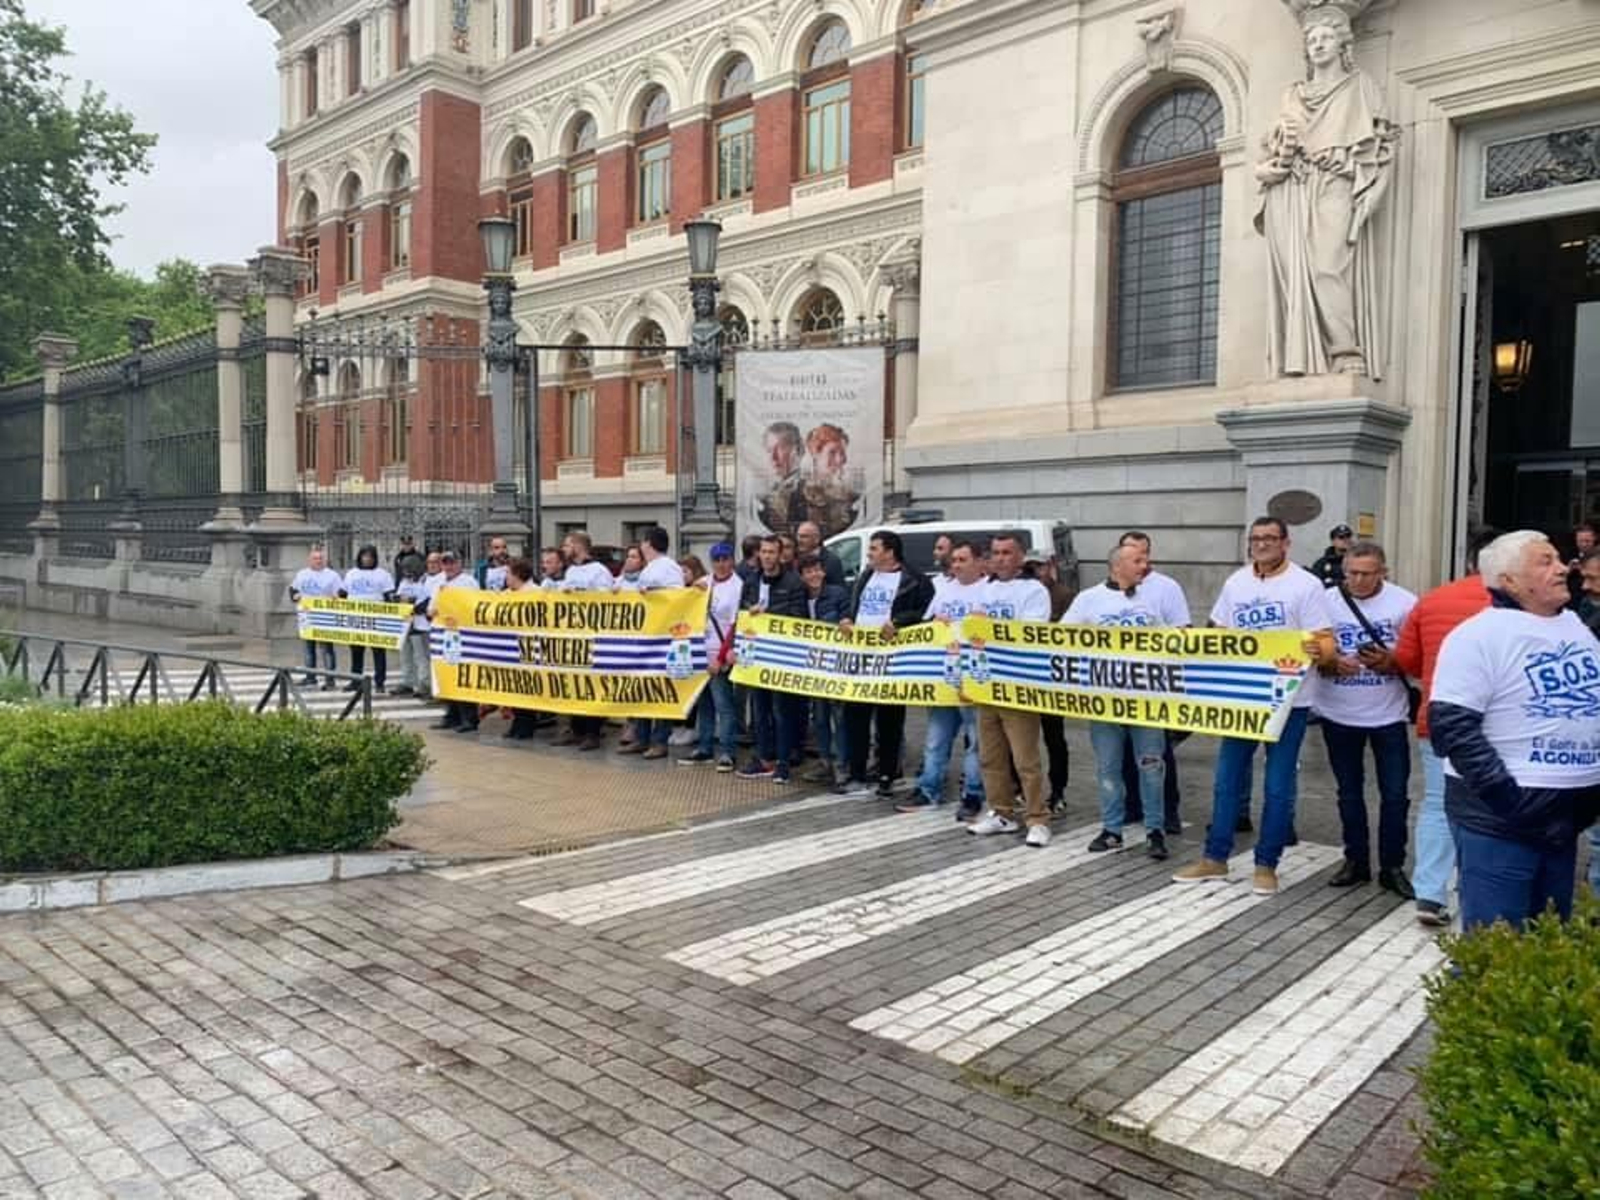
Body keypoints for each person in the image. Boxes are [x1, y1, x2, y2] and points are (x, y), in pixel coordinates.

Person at [1430, 530, 1600, 931]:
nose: (1563, 568)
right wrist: (1511, 800)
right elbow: (1452, 728)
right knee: (1496, 944)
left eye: (1558, 559)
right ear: (1508, 580)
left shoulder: (1576, 625)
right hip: (1501, 820)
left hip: (1566, 818)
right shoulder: (1477, 636)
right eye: (1545, 562)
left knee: (1546, 943)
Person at [1174, 517, 1334, 895]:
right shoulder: (1237, 582)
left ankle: (1267, 864)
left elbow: (1327, 644)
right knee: (1226, 781)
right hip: (1242, 698)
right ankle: (1215, 858)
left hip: (1290, 702)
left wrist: (1320, 651)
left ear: (1286, 543)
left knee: (1278, 786)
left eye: (1269, 538)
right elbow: (1218, 634)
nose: (1261, 545)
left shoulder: (1306, 585)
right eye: (1255, 539)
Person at [1392, 526, 1498, 926]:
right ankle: (1479, 892)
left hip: (1438, 718)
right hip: (1499, 725)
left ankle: (1430, 895)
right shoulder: (1525, 604)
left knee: (1438, 803)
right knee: (1492, 808)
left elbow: (1406, 659)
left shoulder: (1432, 600)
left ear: (1470, 561)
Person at [1315, 540, 1418, 896]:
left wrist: (1392, 661)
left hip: (1388, 713)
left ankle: (1392, 865)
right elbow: (1307, 649)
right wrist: (1329, 662)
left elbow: (1418, 654)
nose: (1357, 581)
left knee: (1395, 794)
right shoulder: (1324, 602)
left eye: (1366, 574)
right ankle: (1355, 860)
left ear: (1383, 573)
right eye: (1351, 574)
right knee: (1349, 792)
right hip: (1338, 711)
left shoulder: (1405, 603)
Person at [1064, 544, 1171, 860]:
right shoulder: (1088, 599)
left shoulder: (1150, 599)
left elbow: (1168, 642)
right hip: (1105, 702)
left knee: (1152, 767)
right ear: (1117, 565)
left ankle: (1155, 831)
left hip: (1146, 701)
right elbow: (1060, 639)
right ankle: (1112, 830)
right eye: (1138, 560)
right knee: (1108, 768)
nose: (1145, 564)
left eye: (1145, 559)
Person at [967, 532, 1054, 845]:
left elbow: (1027, 634)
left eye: (1007, 552)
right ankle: (1001, 812)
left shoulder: (1033, 591)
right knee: (991, 757)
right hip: (986, 684)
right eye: (995, 552)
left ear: (1020, 557)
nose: (1000, 558)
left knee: (1025, 759)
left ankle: (1037, 818)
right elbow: (971, 634)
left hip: (1018, 684)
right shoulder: (984, 589)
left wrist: (984, 628)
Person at [840, 530, 935, 799]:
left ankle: (886, 774)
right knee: (855, 716)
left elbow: (928, 613)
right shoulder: (866, 576)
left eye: (874, 548)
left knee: (889, 720)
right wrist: (847, 618)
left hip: (893, 661)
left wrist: (901, 621)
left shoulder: (914, 581)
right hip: (860, 658)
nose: (869, 553)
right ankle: (856, 773)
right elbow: (854, 606)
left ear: (890, 552)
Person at [899, 540, 987, 815]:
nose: (956, 565)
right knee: (936, 739)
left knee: (976, 743)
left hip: (974, 679)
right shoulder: (944, 589)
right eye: (955, 560)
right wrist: (935, 623)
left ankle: (972, 795)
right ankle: (928, 790)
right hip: (944, 679)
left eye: (963, 559)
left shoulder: (989, 591)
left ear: (979, 562)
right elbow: (927, 626)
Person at [1116, 531, 1189, 833]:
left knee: (1158, 753)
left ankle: (1168, 810)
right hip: (1117, 685)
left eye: (1144, 556)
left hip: (1155, 684)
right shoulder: (1106, 591)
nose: (1140, 563)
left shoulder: (1167, 587)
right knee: (1122, 750)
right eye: (1133, 556)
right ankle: (1133, 806)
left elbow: (1183, 629)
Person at [736, 535, 808, 783]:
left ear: (780, 555)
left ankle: (783, 762)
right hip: (756, 656)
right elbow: (742, 611)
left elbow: (799, 616)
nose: (767, 556)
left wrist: (768, 613)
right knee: (759, 710)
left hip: (781, 657)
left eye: (771, 552)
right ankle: (763, 757)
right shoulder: (751, 580)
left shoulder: (794, 582)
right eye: (763, 552)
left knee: (781, 711)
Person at [620, 527, 686, 760]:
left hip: (662, 638)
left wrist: (654, 593)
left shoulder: (669, 567)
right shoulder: (650, 568)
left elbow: (678, 597)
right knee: (642, 688)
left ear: (648, 543)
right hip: (645, 637)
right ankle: (642, 736)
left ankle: (659, 740)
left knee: (659, 691)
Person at [680, 543, 744, 771]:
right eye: (717, 559)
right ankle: (705, 747)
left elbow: (736, 623)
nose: (721, 564)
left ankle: (727, 750)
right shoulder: (705, 582)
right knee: (704, 703)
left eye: (725, 559)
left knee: (723, 704)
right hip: (700, 651)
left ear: (732, 560)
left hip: (720, 653)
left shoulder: (738, 586)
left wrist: (723, 655)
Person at [795, 551, 852, 788]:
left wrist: (846, 620)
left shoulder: (837, 594)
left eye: (817, 570)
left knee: (839, 717)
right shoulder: (798, 597)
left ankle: (842, 765)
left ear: (824, 571)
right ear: (802, 576)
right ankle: (825, 761)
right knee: (819, 718)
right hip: (812, 668)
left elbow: (848, 613)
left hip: (835, 666)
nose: (814, 575)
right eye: (808, 571)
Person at [556, 531, 616, 751]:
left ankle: (593, 732)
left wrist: (582, 595)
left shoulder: (599, 571)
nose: (564, 549)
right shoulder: (570, 570)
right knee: (574, 684)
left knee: (590, 686)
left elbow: (606, 599)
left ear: (578, 546)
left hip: (592, 637)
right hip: (572, 637)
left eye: (567, 545)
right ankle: (577, 728)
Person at [1030, 551, 1073, 811]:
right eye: (1032, 567)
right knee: (1023, 739)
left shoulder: (1064, 595)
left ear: (1051, 567)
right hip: (1026, 675)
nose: (1037, 572)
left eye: (1041, 566)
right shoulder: (1023, 591)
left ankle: (1058, 789)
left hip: (1051, 677)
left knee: (1054, 738)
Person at [428, 551, 481, 733]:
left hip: (463, 635)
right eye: (445, 563)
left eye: (452, 563)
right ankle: (451, 715)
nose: (448, 567)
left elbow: (474, 606)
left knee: (464, 676)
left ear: (459, 563)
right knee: (447, 675)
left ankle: (469, 718)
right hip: (444, 635)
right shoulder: (439, 582)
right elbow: (432, 607)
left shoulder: (469, 582)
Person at [342, 544, 396, 693]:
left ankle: (380, 682)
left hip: (376, 620)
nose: (367, 559)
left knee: (378, 652)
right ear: (360, 557)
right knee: (356, 652)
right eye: (365, 556)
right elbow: (342, 594)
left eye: (370, 556)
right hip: (355, 619)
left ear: (375, 558)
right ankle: (356, 680)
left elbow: (389, 597)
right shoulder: (351, 573)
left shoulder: (383, 574)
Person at [289, 547, 343, 689]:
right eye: (315, 558)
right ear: (309, 560)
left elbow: (342, 593)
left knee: (326, 649)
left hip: (325, 617)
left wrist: (336, 597)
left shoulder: (332, 575)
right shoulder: (302, 574)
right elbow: (293, 590)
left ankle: (330, 679)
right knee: (308, 648)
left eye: (320, 558)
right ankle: (310, 676)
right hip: (307, 617)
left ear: (324, 560)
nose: (318, 561)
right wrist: (295, 596)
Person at [502, 558, 543, 740]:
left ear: (517, 574)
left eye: (508, 574)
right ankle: (517, 723)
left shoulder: (535, 592)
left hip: (530, 646)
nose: (506, 577)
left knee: (527, 687)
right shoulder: (507, 594)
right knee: (515, 688)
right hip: (512, 647)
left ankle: (526, 726)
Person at [391, 552, 432, 698]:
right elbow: (398, 599)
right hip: (405, 623)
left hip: (419, 624)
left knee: (421, 656)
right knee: (405, 655)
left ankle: (424, 684)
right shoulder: (404, 582)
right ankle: (408, 681)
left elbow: (427, 602)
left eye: (409, 569)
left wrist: (411, 605)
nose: (406, 572)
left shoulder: (425, 581)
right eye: (404, 569)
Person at [755, 421, 804, 534]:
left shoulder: (809, 489)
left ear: (798, 450)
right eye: (769, 450)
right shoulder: (767, 491)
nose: (773, 457)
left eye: (780, 448)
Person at [796, 520, 845, 588]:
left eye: (804, 536)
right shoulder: (795, 558)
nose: (799, 540)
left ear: (817, 538)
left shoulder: (831, 561)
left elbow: (838, 590)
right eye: (798, 536)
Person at [1311, 524, 1355, 588]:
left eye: (1348, 536)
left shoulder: (1357, 561)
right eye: (1341, 537)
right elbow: (1315, 584)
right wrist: (1340, 583)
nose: (1346, 540)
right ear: (1333, 541)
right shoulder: (1322, 563)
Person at [1570, 524, 1599, 607]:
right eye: (1580, 541)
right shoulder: (1567, 555)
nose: (1584, 544)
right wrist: (1568, 571)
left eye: (1587, 541)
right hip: (1574, 603)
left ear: (1594, 538)